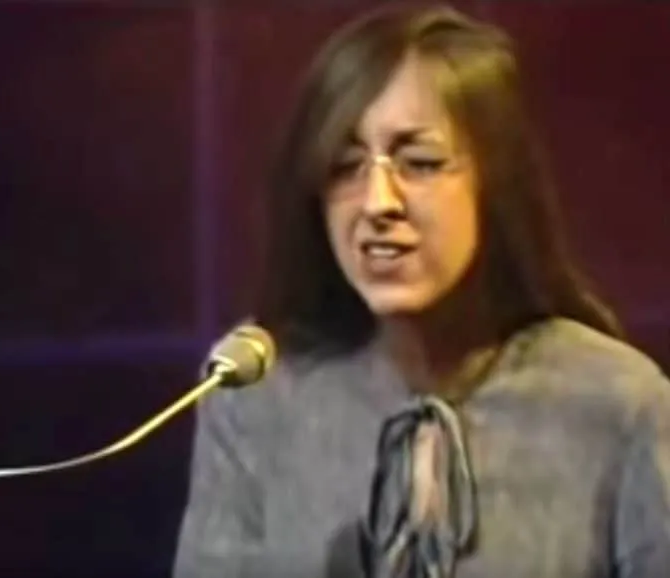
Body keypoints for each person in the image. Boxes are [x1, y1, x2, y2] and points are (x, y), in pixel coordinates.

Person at [172, 4, 670, 577]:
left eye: (421, 163)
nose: (377, 202)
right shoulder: (256, 392)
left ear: (496, 183)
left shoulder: (620, 406)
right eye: (345, 167)